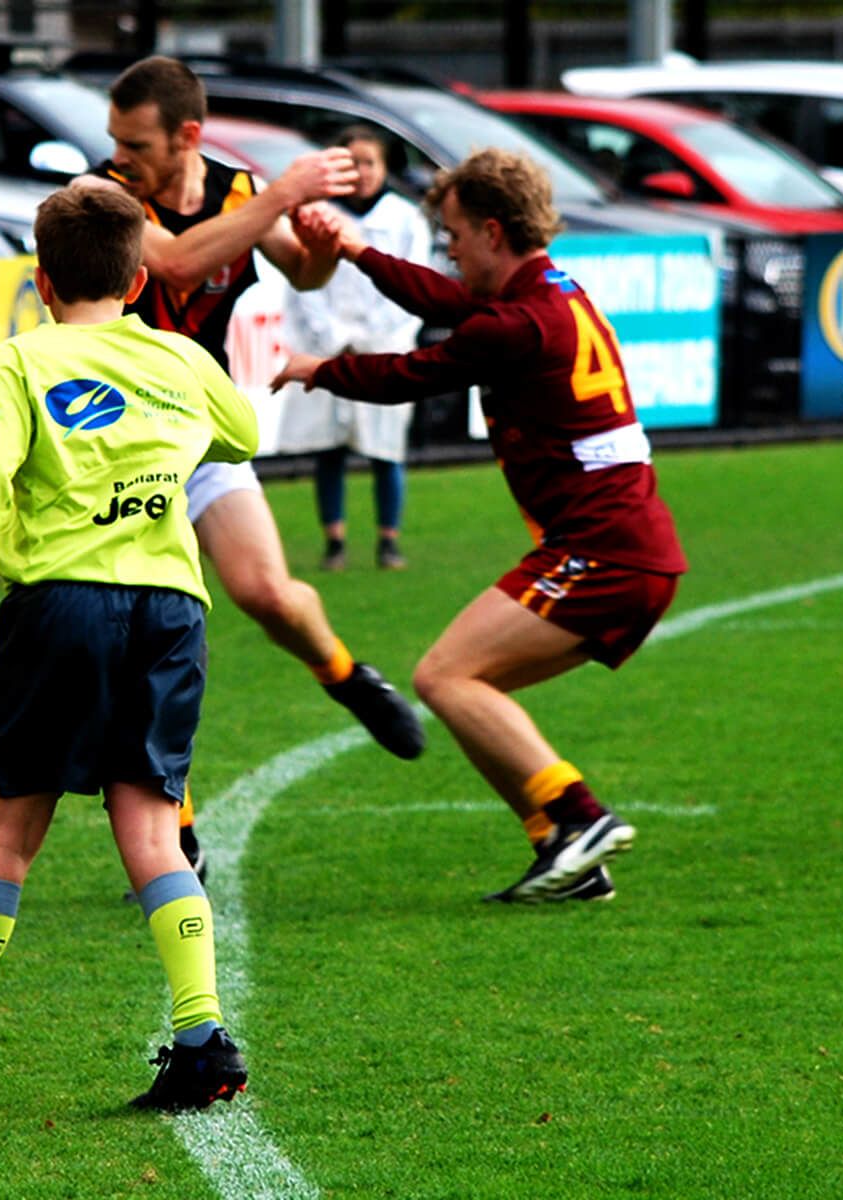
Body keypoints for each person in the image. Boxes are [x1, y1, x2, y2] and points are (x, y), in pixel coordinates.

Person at [0, 186, 258, 1113]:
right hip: (169, 611)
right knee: (154, 831)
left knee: (6, 833)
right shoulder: (179, 355)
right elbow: (241, 430)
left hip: (58, 611)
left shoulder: (22, 361)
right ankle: (203, 1039)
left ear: (41, 280)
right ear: (137, 275)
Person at [272, 149, 687, 903]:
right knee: (468, 683)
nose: (449, 249)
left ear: (493, 232)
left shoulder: (514, 325)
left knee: (444, 676)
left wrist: (313, 368)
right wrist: (360, 250)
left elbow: (407, 374)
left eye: (455, 234)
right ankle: (562, 850)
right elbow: (445, 299)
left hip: (604, 548)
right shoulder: (548, 290)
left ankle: (580, 817)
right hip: (622, 544)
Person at [78, 56, 426, 878]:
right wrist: (282, 195)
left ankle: (345, 674)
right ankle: (178, 834)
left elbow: (301, 267)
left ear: (187, 136)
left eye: (135, 141)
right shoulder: (107, 195)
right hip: (109, 447)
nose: (118, 154)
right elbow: (172, 265)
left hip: (196, 433)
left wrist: (318, 241)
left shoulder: (237, 190)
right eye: (113, 139)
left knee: (269, 593)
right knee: (138, 643)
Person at [280, 125, 431, 572]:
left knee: (385, 448)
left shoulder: (405, 219)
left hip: (383, 349)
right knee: (330, 447)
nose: (362, 173)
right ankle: (335, 541)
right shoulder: (317, 215)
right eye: (352, 164)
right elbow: (302, 284)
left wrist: (371, 339)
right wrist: (333, 338)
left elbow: (415, 287)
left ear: (384, 168)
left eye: (370, 163)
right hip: (329, 348)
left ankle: (388, 540)